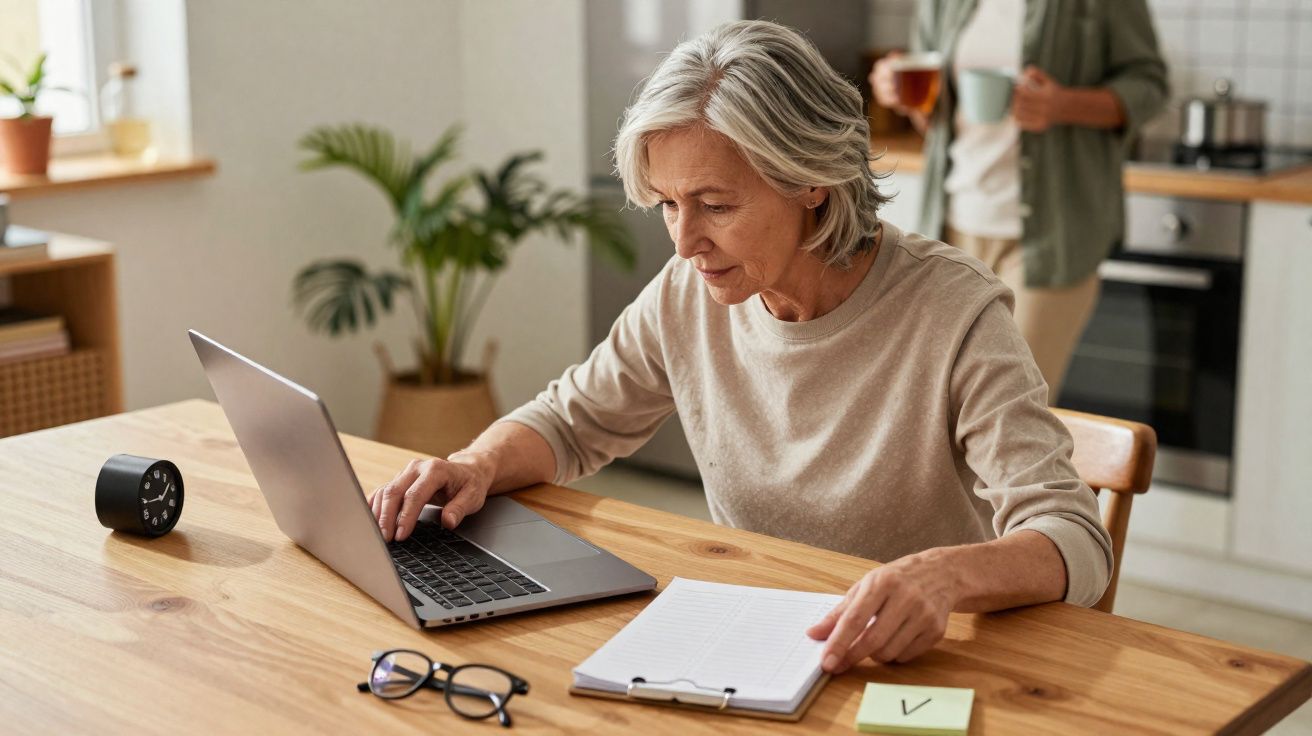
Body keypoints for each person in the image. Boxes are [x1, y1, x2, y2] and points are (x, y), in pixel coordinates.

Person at [370, 20, 1111, 672]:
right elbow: (570, 422)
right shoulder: (689, 290)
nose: (687, 242)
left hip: (910, 663)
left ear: (812, 180)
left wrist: (943, 578)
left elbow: (1074, 537)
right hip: (754, 645)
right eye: (668, 206)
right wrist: (475, 463)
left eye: (716, 205)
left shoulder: (954, 310)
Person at [870, 0, 1168, 400]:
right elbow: (934, 118)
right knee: (940, 406)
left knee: (1013, 407)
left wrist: (1062, 105)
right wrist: (903, 94)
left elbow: (1150, 85)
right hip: (952, 229)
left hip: (1052, 237)